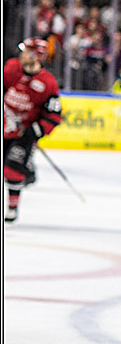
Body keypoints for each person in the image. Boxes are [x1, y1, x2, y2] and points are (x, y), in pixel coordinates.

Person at [3, 38, 62, 222]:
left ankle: (12, 209)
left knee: (12, 169)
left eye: (27, 51)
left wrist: (35, 131)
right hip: (5, 127)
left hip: (23, 134)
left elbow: (54, 116)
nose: (22, 54)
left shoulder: (48, 83)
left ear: (38, 56)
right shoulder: (11, 68)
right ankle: (28, 169)